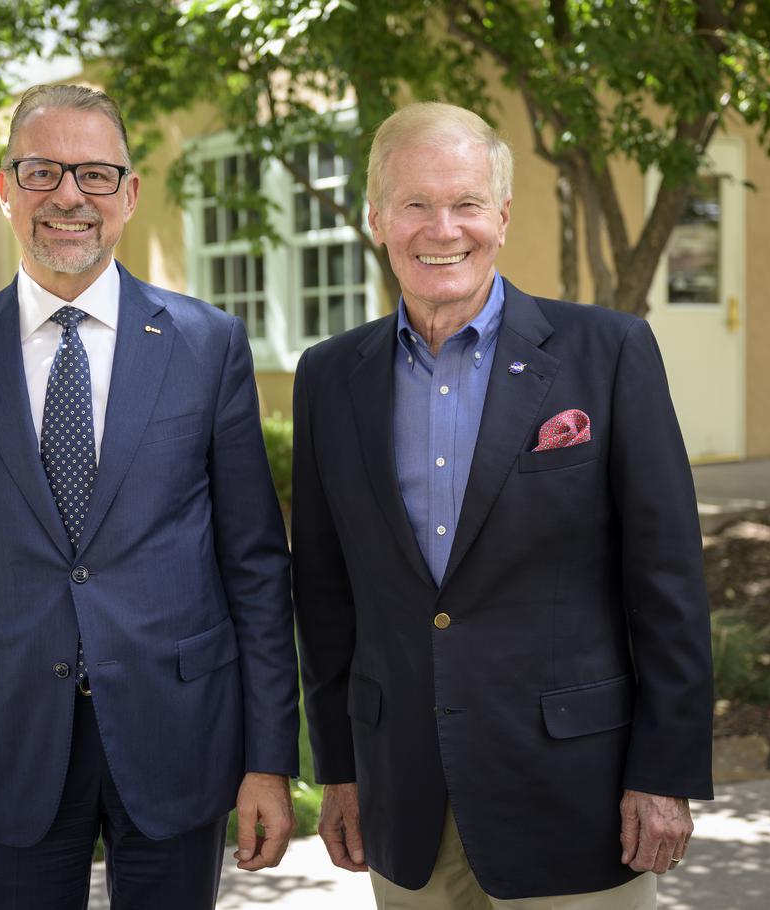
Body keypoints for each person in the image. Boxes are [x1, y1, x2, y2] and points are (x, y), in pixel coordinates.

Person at [0, 84, 299, 910]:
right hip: (10, 749)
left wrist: (269, 757)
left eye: (96, 174)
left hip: (181, 737)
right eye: (41, 170)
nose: (69, 195)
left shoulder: (208, 344)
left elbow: (255, 566)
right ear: (4, 189)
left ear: (130, 195)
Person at [291, 101, 714, 909]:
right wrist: (339, 768)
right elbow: (326, 593)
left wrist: (663, 772)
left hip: (575, 796)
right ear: (378, 217)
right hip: (406, 796)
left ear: (503, 216)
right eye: (415, 203)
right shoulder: (329, 377)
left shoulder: (609, 352)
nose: (441, 227)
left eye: (466, 203)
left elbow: (667, 581)